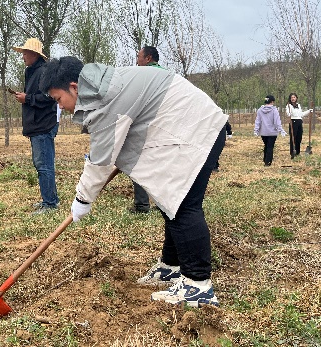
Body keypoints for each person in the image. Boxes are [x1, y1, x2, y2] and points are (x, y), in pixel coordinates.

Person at [40, 56, 227, 307]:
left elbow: (99, 161)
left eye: (58, 99)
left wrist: (82, 200)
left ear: (74, 87)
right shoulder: (103, 87)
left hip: (196, 131)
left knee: (183, 206)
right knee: (169, 203)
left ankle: (197, 285)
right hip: (184, 127)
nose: (60, 106)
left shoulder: (106, 99)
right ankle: (171, 267)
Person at [11, 38, 60, 213]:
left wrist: (28, 98)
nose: (23, 56)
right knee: (42, 164)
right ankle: (50, 199)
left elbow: (50, 96)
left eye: (25, 53)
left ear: (34, 54)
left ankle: (50, 204)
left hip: (43, 124)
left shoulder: (44, 71)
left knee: (44, 165)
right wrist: (26, 97)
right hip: (37, 124)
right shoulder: (31, 71)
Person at [128, 45, 165, 213]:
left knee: (138, 163)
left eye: (139, 57)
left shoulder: (142, 75)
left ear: (148, 58)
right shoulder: (167, 74)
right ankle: (163, 202)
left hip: (146, 125)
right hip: (165, 126)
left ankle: (142, 205)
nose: (137, 61)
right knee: (161, 163)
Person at [254, 95, 286, 166]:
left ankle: (265, 159)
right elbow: (277, 121)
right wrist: (281, 130)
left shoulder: (260, 110)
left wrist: (256, 130)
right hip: (272, 132)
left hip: (263, 132)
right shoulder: (274, 110)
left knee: (266, 145)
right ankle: (268, 162)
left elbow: (258, 121)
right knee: (270, 147)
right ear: (272, 102)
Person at [285, 93, 313, 158]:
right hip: (293, 122)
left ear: (296, 98)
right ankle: (292, 152)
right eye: (292, 97)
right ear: (290, 99)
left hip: (299, 121)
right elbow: (288, 113)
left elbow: (301, 114)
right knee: (293, 138)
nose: (293, 98)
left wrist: (309, 111)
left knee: (299, 137)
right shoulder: (289, 105)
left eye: (294, 97)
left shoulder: (298, 105)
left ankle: (298, 152)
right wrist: (289, 113)